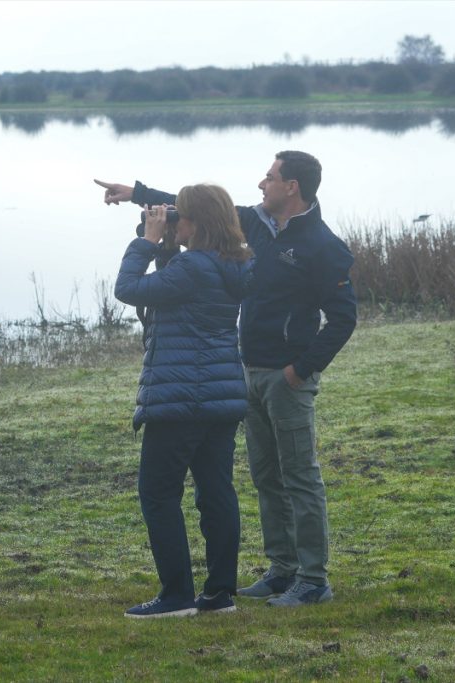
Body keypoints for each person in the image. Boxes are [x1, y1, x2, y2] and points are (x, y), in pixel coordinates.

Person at [96, 150, 357, 608]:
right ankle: (281, 570)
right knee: (264, 477)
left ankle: (312, 578)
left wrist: (302, 367)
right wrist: (137, 194)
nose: (261, 184)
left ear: (291, 186)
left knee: (299, 477)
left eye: (270, 177)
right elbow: (196, 208)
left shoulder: (322, 245)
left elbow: (343, 317)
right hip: (242, 372)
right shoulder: (253, 227)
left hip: (286, 375)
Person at [113, 184, 252, 619]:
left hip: (180, 399)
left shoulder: (191, 268)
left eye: (181, 216)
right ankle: (219, 594)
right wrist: (166, 242)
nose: (176, 221)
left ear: (198, 223)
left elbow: (128, 288)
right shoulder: (234, 263)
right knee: (216, 492)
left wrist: (147, 241)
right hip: (221, 396)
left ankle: (176, 596)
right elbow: (176, 283)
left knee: (157, 494)